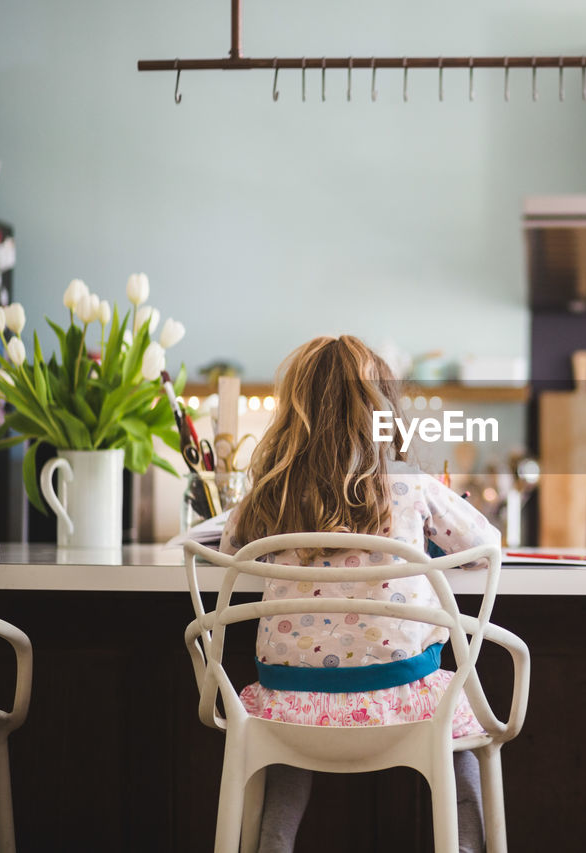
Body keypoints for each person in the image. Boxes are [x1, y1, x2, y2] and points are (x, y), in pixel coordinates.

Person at [220, 335, 499, 853]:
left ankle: (272, 844)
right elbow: (485, 546)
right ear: (383, 410)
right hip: (404, 699)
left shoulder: (272, 487)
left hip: (290, 703)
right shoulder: (409, 484)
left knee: (285, 757)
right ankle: (465, 846)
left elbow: (234, 548)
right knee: (456, 734)